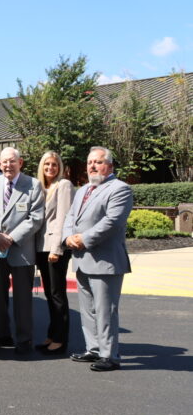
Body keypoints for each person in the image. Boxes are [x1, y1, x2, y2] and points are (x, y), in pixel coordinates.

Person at [63, 146, 133, 372]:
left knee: (105, 310)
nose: (92, 166)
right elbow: (70, 217)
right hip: (82, 259)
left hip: (105, 261)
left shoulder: (120, 189)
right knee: (87, 309)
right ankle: (93, 349)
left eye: (98, 162)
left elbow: (112, 222)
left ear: (110, 166)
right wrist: (67, 238)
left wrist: (83, 238)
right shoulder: (83, 190)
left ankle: (109, 355)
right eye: (89, 162)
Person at [0, 147, 44, 355]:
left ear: (20, 163)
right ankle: (1, 335)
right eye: (4, 162)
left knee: (23, 299)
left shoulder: (33, 185)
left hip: (21, 250)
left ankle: (24, 340)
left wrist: (11, 238)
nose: (8, 165)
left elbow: (36, 218)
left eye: (12, 161)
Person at [34, 151, 75, 355]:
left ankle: (60, 339)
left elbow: (63, 218)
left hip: (54, 248)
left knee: (58, 295)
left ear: (60, 166)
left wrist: (57, 249)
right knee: (50, 294)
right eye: (47, 164)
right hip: (41, 247)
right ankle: (52, 335)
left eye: (54, 164)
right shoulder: (41, 187)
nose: (50, 168)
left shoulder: (64, 185)